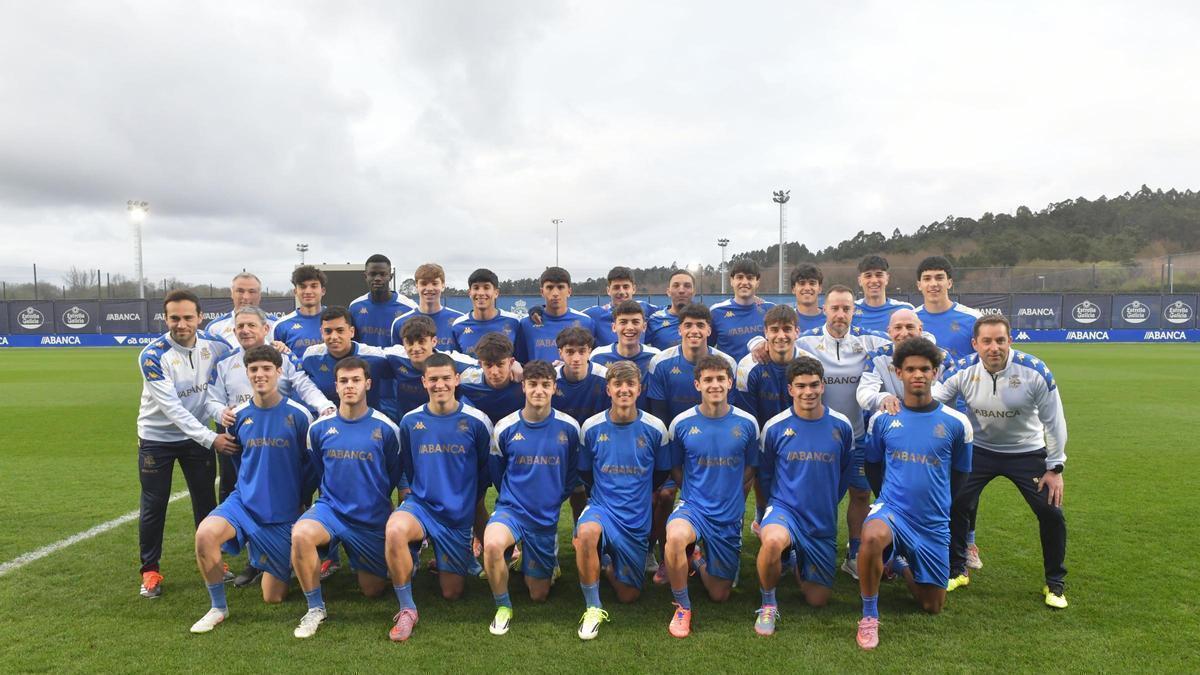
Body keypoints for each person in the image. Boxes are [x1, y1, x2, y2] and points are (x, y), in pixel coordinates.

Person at [935, 315, 1070, 608]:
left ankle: (1055, 583)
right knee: (956, 502)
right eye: (986, 341)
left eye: (1000, 340)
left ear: (1010, 340)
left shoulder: (1035, 371)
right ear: (975, 344)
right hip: (980, 450)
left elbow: (1054, 421)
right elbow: (934, 401)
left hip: (1027, 452)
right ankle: (957, 569)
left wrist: (1055, 467)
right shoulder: (962, 370)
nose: (993, 347)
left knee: (1051, 512)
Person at [856, 337, 973, 650]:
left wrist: (940, 504)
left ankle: (899, 562)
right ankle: (869, 615)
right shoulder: (882, 419)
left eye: (925, 369)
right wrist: (884, 500)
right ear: (899, 373)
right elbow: (873, 465)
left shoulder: (957, 422)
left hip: (933, 521)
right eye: (910, 369)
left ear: (935, 372)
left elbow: (961, 474)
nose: (918, 374)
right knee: (872, 536)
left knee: (932, 605)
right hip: (893, 511)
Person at [189, 345, 315, 633]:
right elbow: (237, 457)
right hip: (244, 503)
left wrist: (301, 503)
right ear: (246, 373)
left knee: (273, 597)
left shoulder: (299, 415)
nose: (260, 374)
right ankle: (218, 608)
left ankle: (286, 559)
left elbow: (310, 467)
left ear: (279, 372)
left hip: (283, 513)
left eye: (266, 368)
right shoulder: (236, 416)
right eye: (254, 369)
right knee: (205, 535)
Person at [205, 306, 333, 586]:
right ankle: (255, 561)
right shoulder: (225, 361)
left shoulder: (283, 356)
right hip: (241, 433)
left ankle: (295, 553)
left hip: (282, 434)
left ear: (265, 329)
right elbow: (211, 398)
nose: (245, 330)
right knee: (245, 495)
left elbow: (303, 384)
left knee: (291, 497)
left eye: (251, 325)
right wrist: (221, 413)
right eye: (240, 326)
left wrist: (324, 406)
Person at [289, 357, 402, 639]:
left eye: (355, 380)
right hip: (331, 510)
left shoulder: (387, 428)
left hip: (370, 517)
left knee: (373, 590)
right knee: (301, 533)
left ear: (368, 384)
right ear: (336, 386)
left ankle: (363, 557)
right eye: (343, 381)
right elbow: (319, 468)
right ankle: (315, 608)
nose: (349, 386)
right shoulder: (318, 429)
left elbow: (393, 472)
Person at [384, 353, 493, 642]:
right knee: (395, 529)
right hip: (421, 507)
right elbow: (408, 466)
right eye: (433, 379)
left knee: (452, 593)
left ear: (456, 379)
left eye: (446, 378)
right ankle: (407, 608)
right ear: (424, 382)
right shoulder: (410, 421)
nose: (440, 384)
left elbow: (485, 472)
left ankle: (446, 555)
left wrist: (468, 505)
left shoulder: (477, 421)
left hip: (456, 518)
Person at [136, 290, 235, 598]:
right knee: (154, 504)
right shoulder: (152, 355)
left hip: (196, 438)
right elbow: (173, 409)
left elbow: (241, 362)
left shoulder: (216, 345)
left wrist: (277, 348)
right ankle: (150, 570)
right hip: (157, 439)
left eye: (188, 317)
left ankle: (213, 561)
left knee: (206, 502)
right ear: (165, 319)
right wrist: (211, 438)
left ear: (200, 317)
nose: (181, 324)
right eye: (174, 318)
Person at [754, 356, 853, 636]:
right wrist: (770, 508)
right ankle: (768, 603)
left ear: (823, 386)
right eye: (801, 386)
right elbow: (765, 474)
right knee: (773, 541)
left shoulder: (842, 425)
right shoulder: (775, 426)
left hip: (821, 517)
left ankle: (797, 556)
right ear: (790, 389)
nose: (808, 392)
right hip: (784, 509)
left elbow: (844, 472)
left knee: (817, 599)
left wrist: (827, 501)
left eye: (813, 385)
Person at [572, 361, 671, 640]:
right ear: (608, 389)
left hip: (635, 518)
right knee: (587, 532)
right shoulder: (591, 427)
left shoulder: (655, 428)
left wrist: (637, 494)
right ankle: (593, 607)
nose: (624, 390)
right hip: (602, 508)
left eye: (630, 384)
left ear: (639, 389)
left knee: (629, 595)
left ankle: (603, 563)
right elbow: (585, 472)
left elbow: (661, 473)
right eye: (618, 384)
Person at [663, 355, 758, 638]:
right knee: (676, 537)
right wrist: (693, 492)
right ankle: (682, 607)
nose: (714, 385)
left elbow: (751, 467)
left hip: (728, 513)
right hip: (693, 507)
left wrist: (730, 492)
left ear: (730, 382)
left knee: (719, 594)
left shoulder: (748, 423)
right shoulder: (681, 423)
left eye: (720, 379)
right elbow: (676, 468)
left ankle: (698, 558)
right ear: (697, 384)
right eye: (708, 380)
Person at [483, 361, 581, 635]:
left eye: (545, 385)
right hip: (511, 510)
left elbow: (572, 474)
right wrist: (513, 497)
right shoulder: (505, 427)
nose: (539, 390)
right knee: (492, 545)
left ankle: (535, 557)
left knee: (538, 594)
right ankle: (503, 606)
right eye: (533, 384)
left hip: (545, 516)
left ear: (554, 388)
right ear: (523, 387)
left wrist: (553, 498)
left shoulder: (569, 428)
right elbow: (497, 472)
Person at [795, 285, 882, 579]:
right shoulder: (806, 343)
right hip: (820, 438)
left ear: (854, 312)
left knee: (861, 493)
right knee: (819, 495)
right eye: (835, 308)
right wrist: (757, 341)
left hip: (857, 437)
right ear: (824, 310)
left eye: (846, 309)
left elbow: (911, 339)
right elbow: (773, 345)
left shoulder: (869, 342)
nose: (840, 314)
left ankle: (854, 552)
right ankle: (809, 547)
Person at [735, 305, 803, 532]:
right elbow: (747, 419)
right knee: (749, 474)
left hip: (796, 434)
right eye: (774, 330)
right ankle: (739, 524)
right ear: (765, 332)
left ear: (797, 332)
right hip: (760, 431)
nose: (781, 335)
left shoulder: (808, 363)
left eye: (787, 329)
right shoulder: (748, 366)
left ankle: (794, 527)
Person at [646, 303, 738, 423]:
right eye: (688, 325)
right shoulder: (660, 363)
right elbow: (659, 414)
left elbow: (729, 410)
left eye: (700, 325)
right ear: (680, 330)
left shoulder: (728, 363)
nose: (694, 331)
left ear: (709, 331)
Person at [384, 316, 478, 418]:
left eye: (421, 341)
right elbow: (371, 352)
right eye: (410, 343)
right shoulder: (394, 357)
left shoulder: (454, 362)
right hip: (407, 423)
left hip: (448, 420)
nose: (416, 348)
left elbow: (484, 369)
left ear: (434, 341)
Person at [589, 299, 661, 409]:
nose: (630, 328)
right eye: (623, 322)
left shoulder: (656, 357)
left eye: (635, 322)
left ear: (644, 327)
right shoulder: (597, 356)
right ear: (614, 327)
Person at [519, 267, 595, 363]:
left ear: (569, 291)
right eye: (549, 287)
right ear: (542, 292)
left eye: (560, 287)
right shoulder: (526, 323)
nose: (555, 293)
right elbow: (520, 361)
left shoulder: (586, 322)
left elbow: (591, 359)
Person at [914, 256, 982, 361]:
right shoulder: (910, 320)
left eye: (939, 278)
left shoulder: (974, 319)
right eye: (927, 279)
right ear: (919, 285)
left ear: (949, 283)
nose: (933, 284)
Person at [709, 259, 775, 362]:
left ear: (757, 282)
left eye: (750, 278)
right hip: (729, 372)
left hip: (764, 372)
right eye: (739, 277)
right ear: (731, 281)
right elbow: (706, 348)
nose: (744, 282)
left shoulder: (771, 310)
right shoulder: (716, 312)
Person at [451, 268, 524, 359]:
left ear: (496, 293)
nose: (481, 293)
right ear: (469, 293)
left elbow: (522, 361)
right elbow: (454, 362)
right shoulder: (458, 325)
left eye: (486, 287)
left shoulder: (514, 322)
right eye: (476, 288)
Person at [349, 254, 418, 348]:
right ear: (365, 276)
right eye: (373, 274)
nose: (377, 278)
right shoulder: (355, 307)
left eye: (382, 274)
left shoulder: (409, 308)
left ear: (391, 276)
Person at [390, 263, 464, 350]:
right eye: (424, 283)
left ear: (443, 285)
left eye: (434, 283)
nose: (429, 288)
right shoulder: (400, 323)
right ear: (416, 286)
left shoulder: (459, 321)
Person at [458, 333, 526, 424]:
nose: (494, 372)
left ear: (511, 362)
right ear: (480, 364)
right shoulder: (466, 380)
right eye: (488, 365)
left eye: (500, 364)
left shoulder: (527, 383)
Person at [583, 266, 659, 347]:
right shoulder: (595, 314)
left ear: (633, 289)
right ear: (608, 290)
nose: (621, 292)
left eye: (626, 287)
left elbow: (667, 312)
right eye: (616, 287)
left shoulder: (644, 308)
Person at [205, 272, 274, 348]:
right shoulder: (215, 327)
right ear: (232, 294)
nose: (246, 297)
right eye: (240, 291)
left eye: (251, 292)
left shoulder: (276, 325)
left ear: (259, 295)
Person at [274, 265, 328, 355]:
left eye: (314, 286)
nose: (308, 291)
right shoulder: (281, 325)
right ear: (295, 291)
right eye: (303, 287)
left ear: (323, 291)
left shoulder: (337, 319)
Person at [854, 255, 914, 333]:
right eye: (868, 276)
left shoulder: (905, 309)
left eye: (879, 275)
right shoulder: (850, 310)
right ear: (859, 281)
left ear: (887, 279)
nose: (874, 280)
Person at [645, 269, 697, 350]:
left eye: (687, 286)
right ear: (668, 292)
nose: (681, 290)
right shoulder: (655, 320)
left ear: (694, 292)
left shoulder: (704, 320)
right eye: (676, 286)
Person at [788, 263, 827, 332]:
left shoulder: (830, 320)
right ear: (793, 289)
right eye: (802, 283)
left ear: (820, 288)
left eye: (812, 283)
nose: (807, 288)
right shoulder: (786, 320)